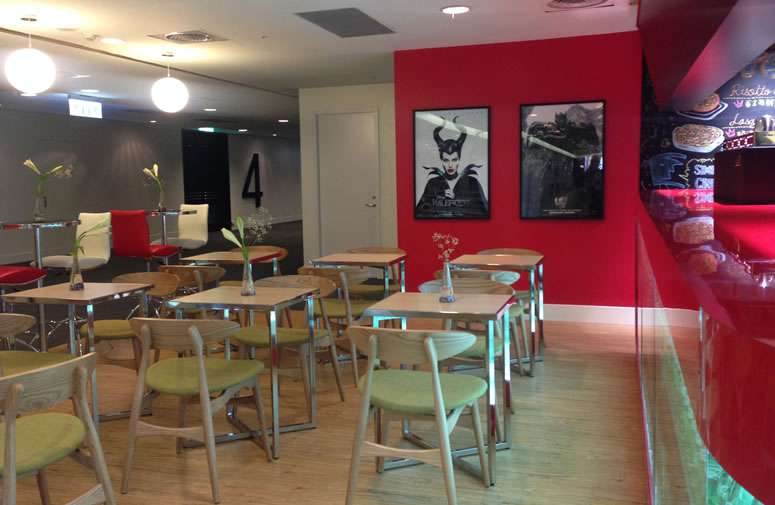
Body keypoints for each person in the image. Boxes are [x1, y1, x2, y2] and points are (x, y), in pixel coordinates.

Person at [415, 117, 489, 218]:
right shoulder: (433, 183)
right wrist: (439, 196)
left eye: (454, 160)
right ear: (441, 160)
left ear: (459, 160)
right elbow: (420, 214)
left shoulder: (472, 183)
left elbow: (484, 213)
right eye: (446, 160)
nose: (450, 165)